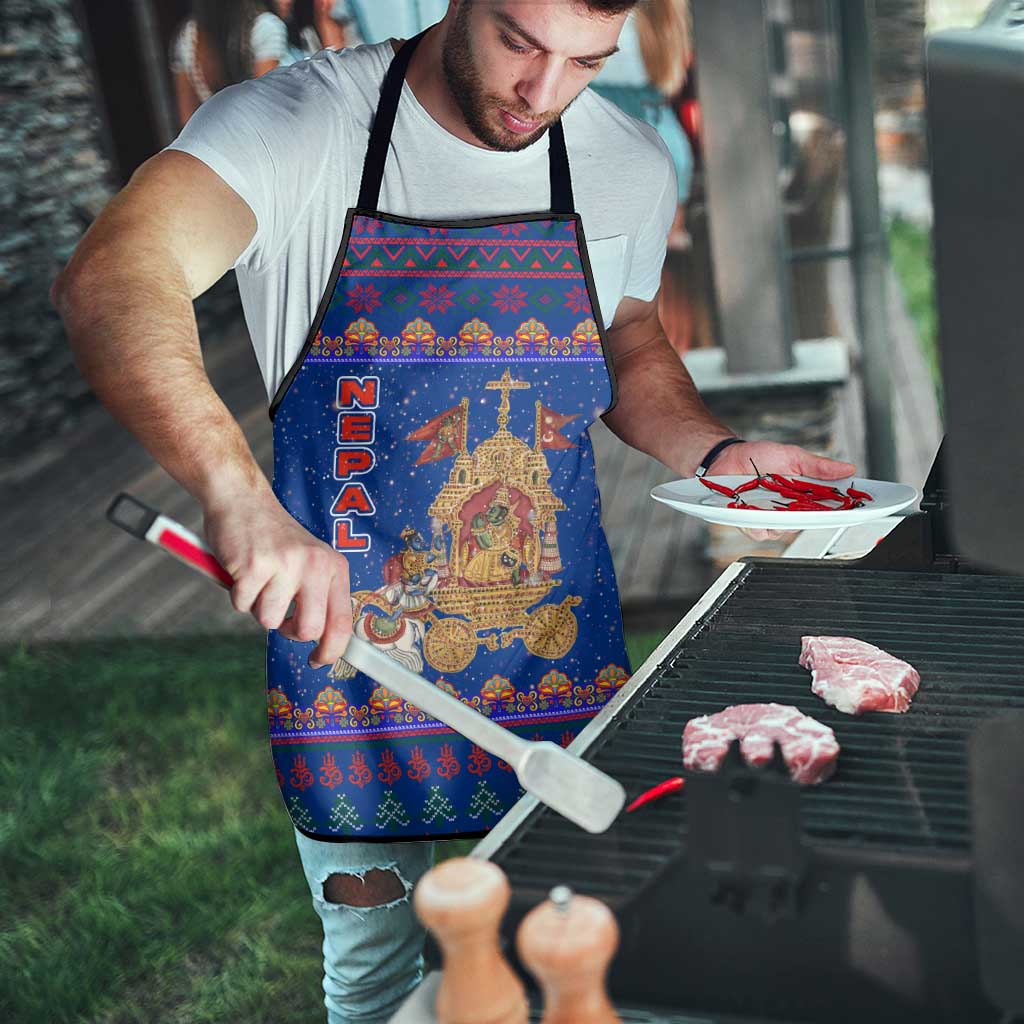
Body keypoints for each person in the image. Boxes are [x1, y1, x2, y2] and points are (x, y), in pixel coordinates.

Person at [52, 2, 855, 1020]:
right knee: (381, 978)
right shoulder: (299, 125)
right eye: (521, 42)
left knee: (577, 957)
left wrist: (718, 450)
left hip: (555, 656)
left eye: (585, 62)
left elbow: (628, 337)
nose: (543, 93)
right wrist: (235, 495)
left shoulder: (625, 160)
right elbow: (113, 275)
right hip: (353, 664)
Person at [169, 0, 289, 127]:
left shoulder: (188, 37)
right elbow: (266, 107)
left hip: (215, 140)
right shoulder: (266, 27)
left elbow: (187, 120)